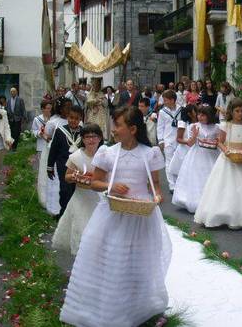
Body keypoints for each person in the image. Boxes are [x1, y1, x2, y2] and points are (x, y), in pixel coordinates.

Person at [59, 107, 170, 327]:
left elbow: (154, 184)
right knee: (114, 259)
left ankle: (139, 307)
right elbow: (95, 183)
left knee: (139, 261)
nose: (114, 129)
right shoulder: (107, 153)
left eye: (118, 125)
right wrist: (111, 186)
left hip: (141, 215)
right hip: (113, 214)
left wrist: (157, 196)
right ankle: (109, 307)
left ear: (133, 129)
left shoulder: (150, 154)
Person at [195, 98, 242, 229]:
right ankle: (222, 214)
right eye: (237, 111)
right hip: (227, 160)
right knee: (224, 187)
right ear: (231, 111)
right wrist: (226, 151)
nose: (240, 113)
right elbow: (219, 142)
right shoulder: (225, 125)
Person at [52, 123, 104, 255]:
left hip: (99, 198)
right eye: (87, 137)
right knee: (81, 229)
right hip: (81, 197)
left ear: (100, 138)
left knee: (99, 231)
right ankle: (81, 259)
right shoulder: (76, 156)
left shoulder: (105, 155)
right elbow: (67, 177)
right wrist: (76, 177)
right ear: (82, 139)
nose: (91, 140)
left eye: (94, 136)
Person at [172, 105, 221, 213]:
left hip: (212, 154)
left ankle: (211, 201)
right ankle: (195, 201)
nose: (200, 117)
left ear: (209, 116)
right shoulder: (194, 126)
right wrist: (194, 135)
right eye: (199, 114)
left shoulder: (217, 127)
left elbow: (219, 141)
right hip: (197, 154)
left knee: (212, 176)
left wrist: (216, 142)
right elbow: (190, 143)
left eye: (203, 115)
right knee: (197, 177)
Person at [47, 104, 84, 217]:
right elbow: (53, 150)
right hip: (63, 165)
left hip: (78, 166)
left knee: (75, 190)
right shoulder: (60, 131)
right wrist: (50, 167)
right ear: (67, 117)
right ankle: (63, 213)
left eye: (76, 118)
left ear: (80, 119)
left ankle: (74, 214)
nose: (73, 120)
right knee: (64, 190)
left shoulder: (83, 133)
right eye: (71, 117)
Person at [167, 104, 197, 193]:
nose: (197, 112)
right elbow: (178, 139)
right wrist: (187, 142)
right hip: (184, 150)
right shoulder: (183, 123)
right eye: (195, 111)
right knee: (183, 171)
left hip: (195, 149)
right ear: (189, 113)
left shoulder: (198, 123)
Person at [157, 90, 181, 191]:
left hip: (180, 139)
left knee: (179, 162)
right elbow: (160, 127)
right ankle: (172, 184)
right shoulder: (162, 112)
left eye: (166, 100)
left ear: (172, 100)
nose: (164, 102)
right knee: (169, 162)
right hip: (168, 140)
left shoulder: (181, 109)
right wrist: (161, 140)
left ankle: (179, 182)